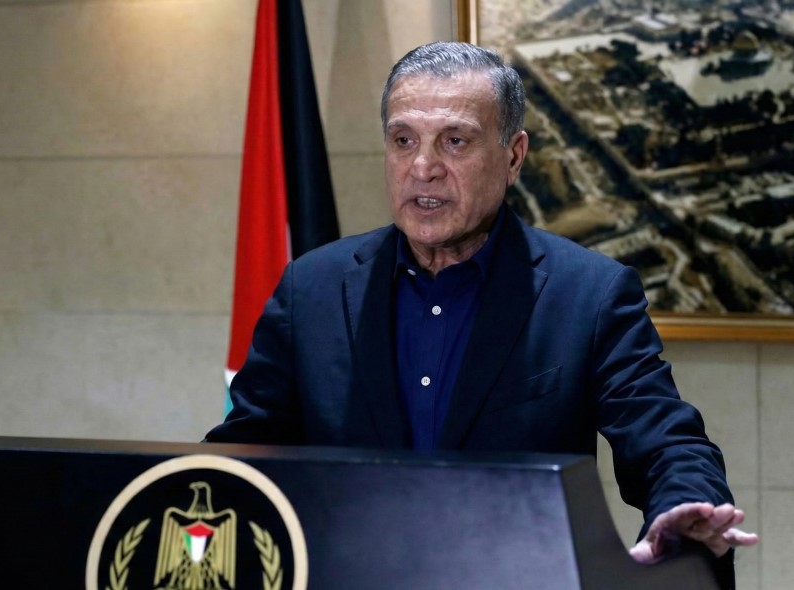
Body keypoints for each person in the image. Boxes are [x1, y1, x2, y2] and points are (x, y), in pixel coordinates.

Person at [206, 41, 757, 584]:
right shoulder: (312, 288)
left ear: (513, 157)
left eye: (455, 142)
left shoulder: (588, 294)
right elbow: (244, 452)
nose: (423, 167)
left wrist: (685, 511)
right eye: (403, 140)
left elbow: (666, 441)